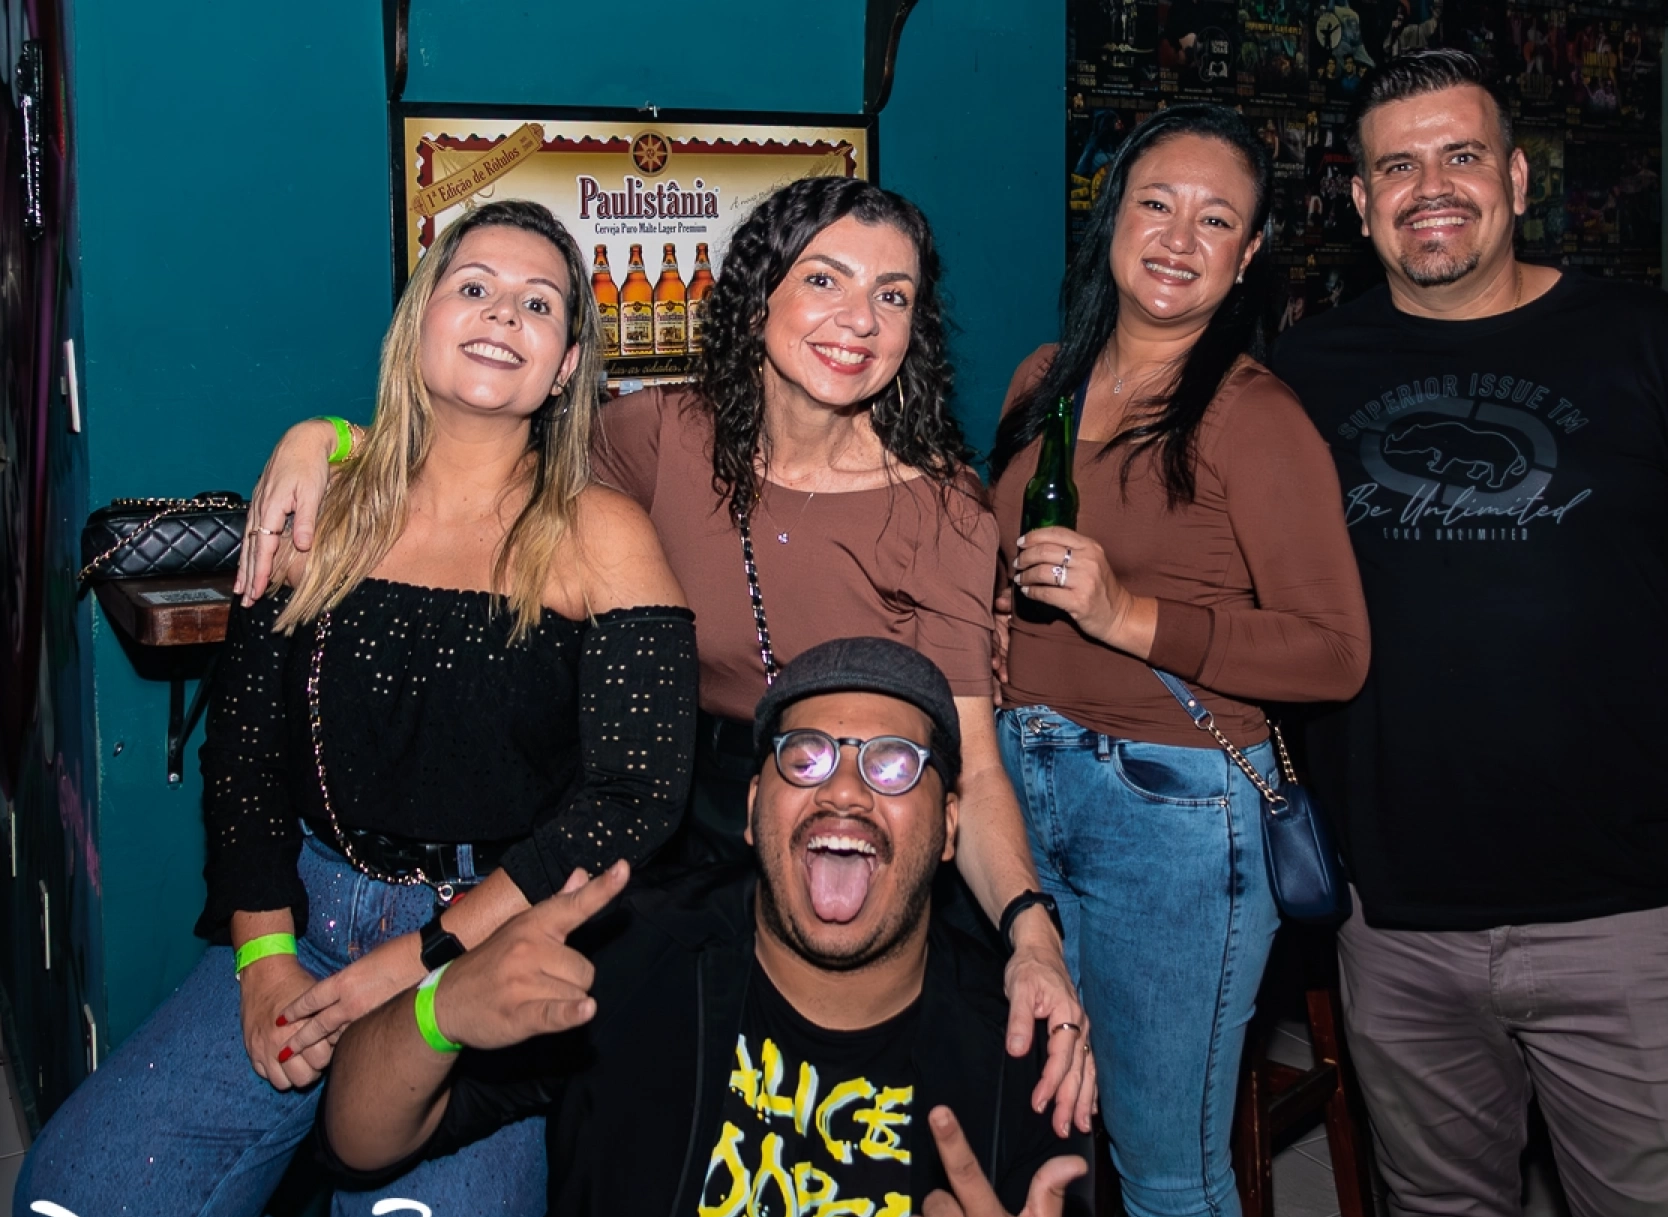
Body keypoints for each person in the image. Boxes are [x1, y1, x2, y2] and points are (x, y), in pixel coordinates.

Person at [238, 178, 1093, 1137]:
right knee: (657, 1116)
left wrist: (1031, 930)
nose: (859, 318)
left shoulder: (942, 510)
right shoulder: (660, 436)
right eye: (825, 279)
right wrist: (331, 440)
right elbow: (484, 440)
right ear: (758, 296)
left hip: (851, 829)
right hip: (676, 820)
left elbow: (973, 767)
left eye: (891, 295)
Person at [1267, 51, 1668, 1217]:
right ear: (1360, 202)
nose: (1431, 187)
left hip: (1636, 908)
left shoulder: (1648, 342)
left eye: (1461, 155)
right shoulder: (1304, 373)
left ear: (1518, 177)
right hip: (1401, 918)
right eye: (1396, 165)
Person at [12, 199, 695, 1217]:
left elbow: (635, 794)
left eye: (538, 304)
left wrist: (424, 958)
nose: (502, 315)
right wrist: (265, 955)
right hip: (307, 917)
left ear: (569, 362)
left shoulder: (600, 531)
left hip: (484, 943)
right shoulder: (320, 505)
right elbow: (246, 757)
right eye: (473, 287)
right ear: (420, 318)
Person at [315, 639, 1103, 1217]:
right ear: (754, 808)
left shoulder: (1022, 1054)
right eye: (805, 756)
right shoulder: (634, 955)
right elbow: (356, 1139)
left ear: (951, 827)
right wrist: (441, 1007)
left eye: (893, 763)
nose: (845, 791)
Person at [990, 104, 1370, 1217]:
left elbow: (1337, 653)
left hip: (1174, 812)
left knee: (1163, 1169)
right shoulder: (1043, 380)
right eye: (1156, 203)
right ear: (1112, 217)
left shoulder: (1256, 417)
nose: (1177, 236)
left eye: (1217, 220)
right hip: (1018, 785)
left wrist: (1129, 614)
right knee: (1044, 1132)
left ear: (1248, 256)